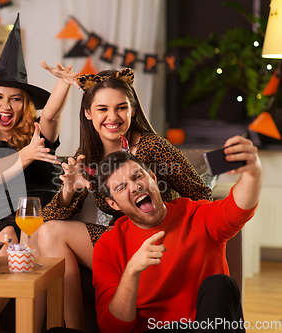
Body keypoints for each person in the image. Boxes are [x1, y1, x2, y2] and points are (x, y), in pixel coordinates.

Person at [36, 68, 213, 330]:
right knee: (49, 233)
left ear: (132, 110)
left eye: (121, 108)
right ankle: (74, 329)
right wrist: (69, 190)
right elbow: (49, 221)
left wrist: (175, 232)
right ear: (88, 113)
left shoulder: (154, 148)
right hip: (118, 241)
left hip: (158, 241)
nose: (112, 117)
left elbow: (203, 197)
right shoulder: (88, 156)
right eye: (102, 109)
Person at [0, 14, 78, 333]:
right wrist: (25, 156)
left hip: (36, 214)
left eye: (15, 98)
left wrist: (63, 85)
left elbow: (51, 113)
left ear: (25, 104)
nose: (5, 104)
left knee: (12, 237)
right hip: (0, 211)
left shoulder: (37, 132)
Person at [92, 136, 260, 332]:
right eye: (121, 187)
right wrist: (131, 272)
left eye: (138, 177)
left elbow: (238, 210)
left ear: (153, 178)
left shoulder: (197, 215)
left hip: (203, 327)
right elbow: (112, 329)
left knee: (220, 285)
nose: (135, 186)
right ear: (113, 204)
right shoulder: (108, 245)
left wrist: (253, 172)